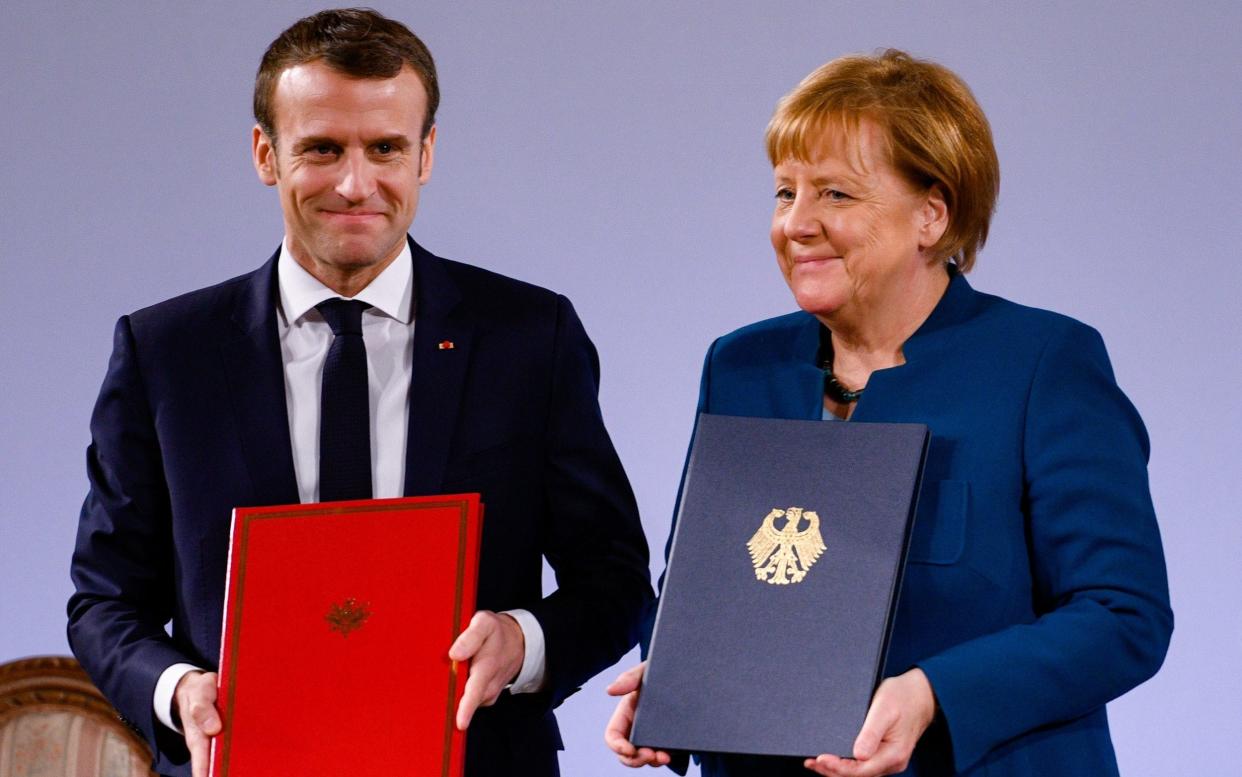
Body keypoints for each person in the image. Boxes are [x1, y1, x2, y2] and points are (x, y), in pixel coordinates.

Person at [66, 9, 652, 777]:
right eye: (322, 149)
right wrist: (178, 690)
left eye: (385, 148)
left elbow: (612, 577)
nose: (355, 182)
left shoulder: (529, 337)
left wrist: (523, 640)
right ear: (265, 155)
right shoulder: (166, 353)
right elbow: (105, 602)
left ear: (426, 153)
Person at [605, 49, 1171, 777]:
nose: (796, 224)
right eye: (784, 193)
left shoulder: (1041, 363)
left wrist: (935, 692)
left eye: (835, 195)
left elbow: (1123, 614)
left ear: (932, 214)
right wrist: (673, 680)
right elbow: (703, 582)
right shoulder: (740, 366)